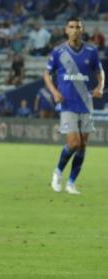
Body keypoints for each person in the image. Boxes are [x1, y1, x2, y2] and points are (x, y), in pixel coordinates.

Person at [45, 16, 104, 195]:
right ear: (66, 30)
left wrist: (100, 87)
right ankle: (57, 172)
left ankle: (71, 183)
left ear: (82, 29)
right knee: (74, 142)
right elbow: (47, 74)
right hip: (68, 103)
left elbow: (100, 71)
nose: (75, 30)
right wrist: (55, 92)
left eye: (78, 27)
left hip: (86, 103)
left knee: (83, 144)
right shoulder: (58, 52)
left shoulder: (91, 51)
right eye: (72, 27)